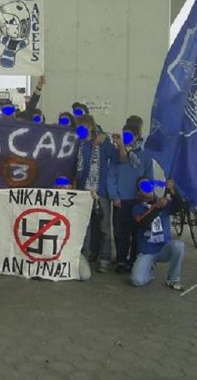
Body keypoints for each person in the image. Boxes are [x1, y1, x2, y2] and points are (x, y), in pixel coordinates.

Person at [75, 115, 120, 273]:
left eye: (82, 128)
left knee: (104, 227)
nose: (79, 131)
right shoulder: (79, 144)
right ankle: (85, 256)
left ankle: (105, 257)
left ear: (90, 127)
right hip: (84, 191)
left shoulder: (102, 143)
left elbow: (117, 157)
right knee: (85, 227)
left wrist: (110, 139)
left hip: (101, 191)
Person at [107, 123, 154, 274]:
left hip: (138, 201)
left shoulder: (145, 156)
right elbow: (111, 176)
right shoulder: (118, 155)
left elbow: (149, 177)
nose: (126, 138)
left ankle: (134, 260)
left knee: (136, 232)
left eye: (129, 136)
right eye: (124, 135)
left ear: (136, 137)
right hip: (121, 200)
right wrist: (114, 196)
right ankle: (121, 260)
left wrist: (148, 195)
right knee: (121, 232)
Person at [130, 178, 185, 291]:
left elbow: (181, 206)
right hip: (147, 251)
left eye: (149, 185)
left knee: (179, 246)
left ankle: (173, 279)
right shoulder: (137, 208)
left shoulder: (164, 202)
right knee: (136, 280)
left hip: (164, 247)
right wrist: (157, 208)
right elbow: (143, 223)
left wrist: (173, 190)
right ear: (139, 192)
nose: (148, 189)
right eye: (144, 187)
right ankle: (150, 271)